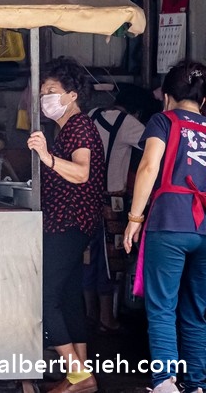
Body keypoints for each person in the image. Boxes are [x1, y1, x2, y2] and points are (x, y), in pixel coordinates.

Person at [123, 61, 206, 393]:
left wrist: (134, 219)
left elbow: (148, 167)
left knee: (162, 307)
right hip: (203, 226)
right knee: (197, 311)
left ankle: (165, 381)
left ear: (168, 96)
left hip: (169, 221)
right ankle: (196, 383)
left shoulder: (163, 120)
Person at [27, 56, 105, 393]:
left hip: (68, 223)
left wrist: (47, 158)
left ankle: (78, 376)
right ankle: (81, 375)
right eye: (43, 91)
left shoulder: (79, 126)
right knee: (70, 297)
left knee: (44, 297)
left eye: (52, 90)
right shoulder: (67, 128)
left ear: (72, 95)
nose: (45, 97)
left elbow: (82, 172)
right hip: (74, 224)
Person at [83, 84, 157, 333]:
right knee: (109, 260)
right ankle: (107, 318)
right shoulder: (129, 123)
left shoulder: (91, 114)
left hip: (83, 198)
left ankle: (90, 314)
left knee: (88, 258)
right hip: (110, 201)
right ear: (138, 111)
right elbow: (155, 149)